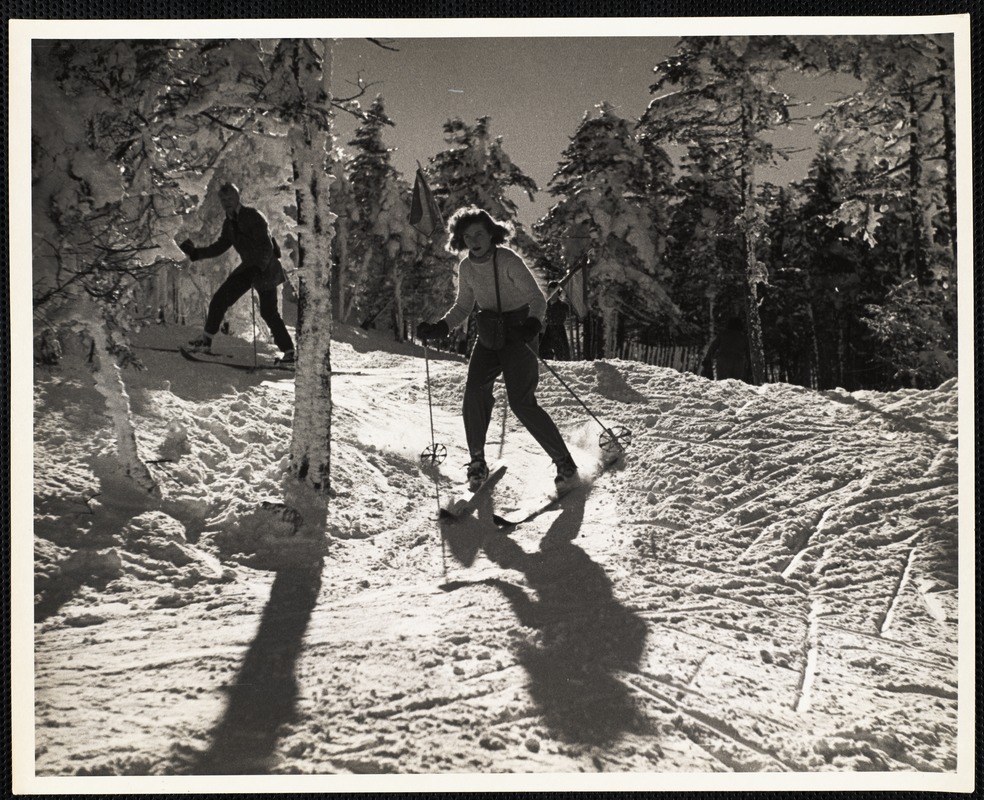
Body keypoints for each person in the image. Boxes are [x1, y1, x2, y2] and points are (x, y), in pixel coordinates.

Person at [417, 207, 580, 493]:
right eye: (468, 236)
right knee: (475, 392)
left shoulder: (507, 259)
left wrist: (531, 326)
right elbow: (464, 306)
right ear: (461, 240)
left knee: (521, 402)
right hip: (489, 334)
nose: (474, 239)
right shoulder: (466, 266)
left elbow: (537, 299)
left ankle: (564, 462)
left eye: (480, 233)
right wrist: (440, 327)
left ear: (492, 233)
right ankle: (477, 462)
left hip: (519, 332)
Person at [178, 183, 295, 361]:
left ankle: (289, 352)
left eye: (230, 198)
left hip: (267, 269)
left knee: (268, 312)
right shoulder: (229, 223)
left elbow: (266, 245)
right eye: (223, 200)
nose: (227, 202)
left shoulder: (253, 216)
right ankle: (206, 342)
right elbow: (221, 246)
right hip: (249, 268)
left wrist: (258, 267)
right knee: (219, 299)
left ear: (237, 198)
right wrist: (196, 253)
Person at [701, 316, 749, 381]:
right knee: (737, 384)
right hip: (738, 362)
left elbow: (713, 347)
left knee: (723, 382)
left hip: (723, 360)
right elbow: (748, 351)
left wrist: (707, 359)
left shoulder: (723, 334)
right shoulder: (743, 337)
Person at [540, 281, 571, 361]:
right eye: (550, 291)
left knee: (563, 355)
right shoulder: (544, 305)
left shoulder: (563, 306)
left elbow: (562, 318)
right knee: (543, 353)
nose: (552, 294)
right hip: (548, 330)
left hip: (559, 330)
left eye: (554, 291)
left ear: (558, 293)